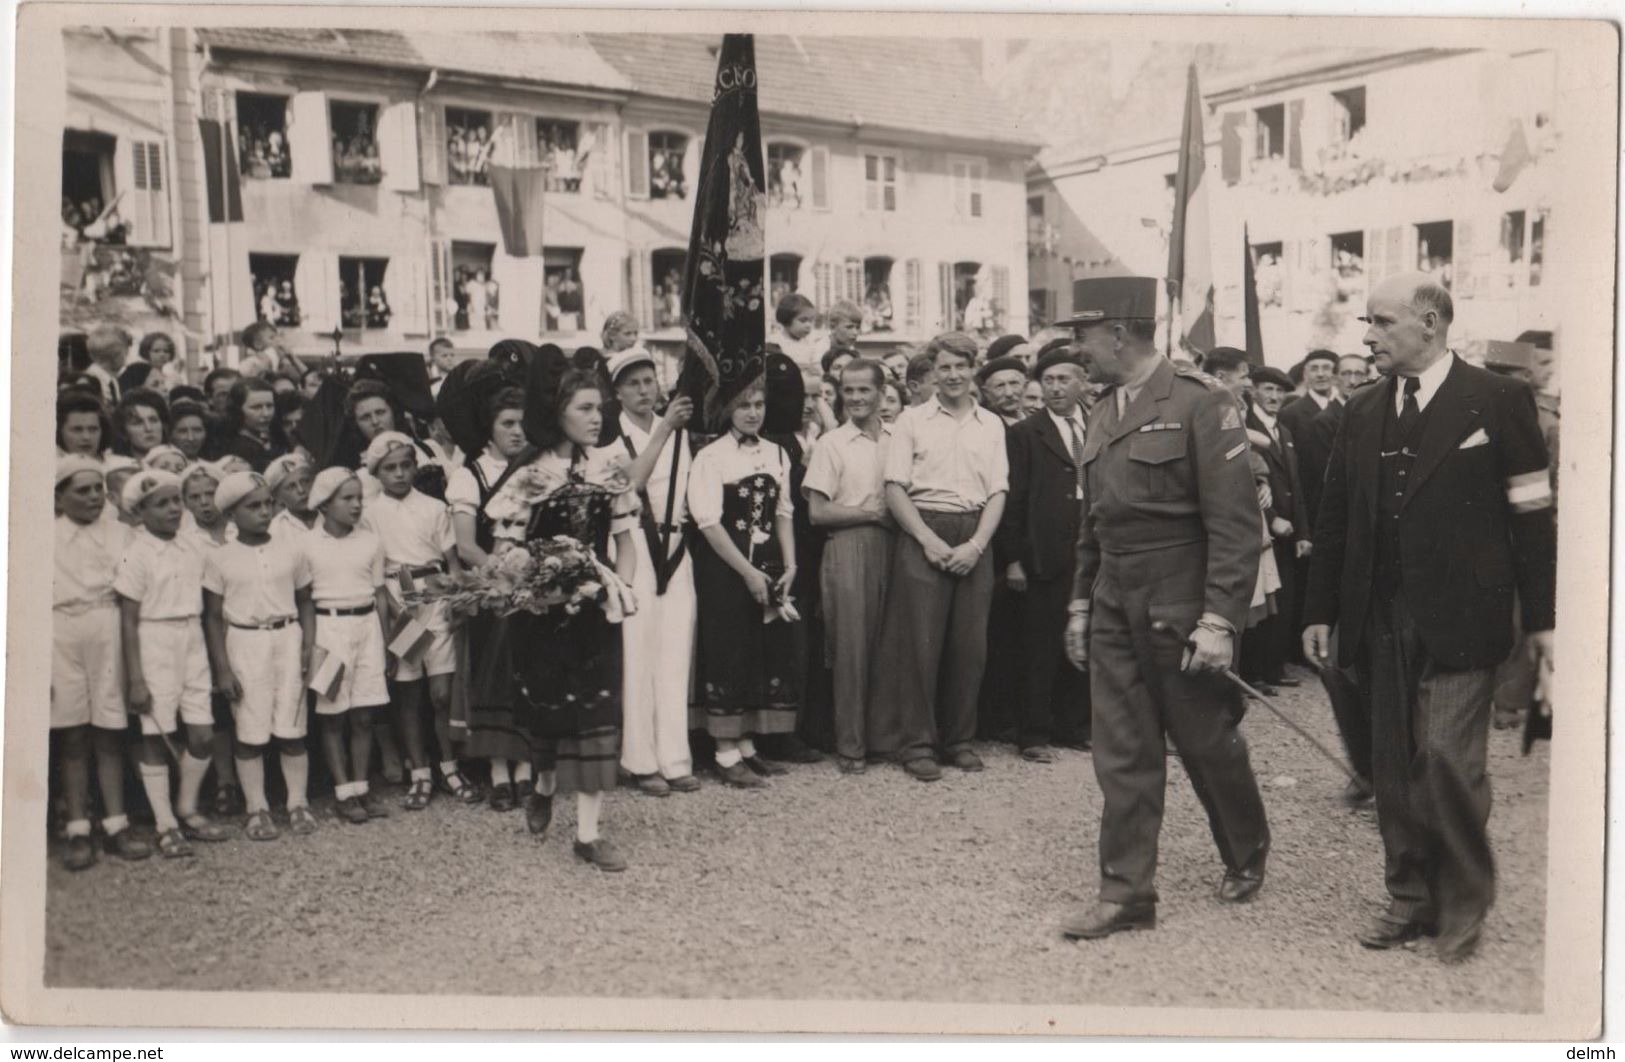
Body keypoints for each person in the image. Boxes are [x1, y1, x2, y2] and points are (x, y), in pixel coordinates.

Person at [1302, 272, 1555, 963]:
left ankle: (1462, 901)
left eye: (1380, 322)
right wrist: (1320, 609)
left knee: (1444, 760)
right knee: (1390, 765)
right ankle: (1407, 897)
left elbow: (1532, 516)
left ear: (1428, 323)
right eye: (1368, 323)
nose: (1368, 335)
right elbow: (1334, 521)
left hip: (1463, 616)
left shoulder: (1498, 399)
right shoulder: (1359, 411)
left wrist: (1542, 621)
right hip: (1376, 615)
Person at [1057, 276, 1269, 940]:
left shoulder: (1201, 404)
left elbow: (1235, 527)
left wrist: (1218, 621)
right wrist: (1079, 607)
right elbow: (1094, 522)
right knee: (1121, 751)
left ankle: (1245, 848)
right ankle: (1126, 894)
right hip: (1115, 600)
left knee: (1205, 741)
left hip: (1179, 603)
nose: (1074, 348)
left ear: (1118, 333)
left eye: (1081, 335)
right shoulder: (1100, 410)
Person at [868, 332, 1008, 781]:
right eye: (944, 367)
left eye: (960, 366)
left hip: (974, 535)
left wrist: (976, 545)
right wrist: (927, 539)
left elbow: (998, 491)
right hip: (923, 528)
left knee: (971, 646)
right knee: (919, 644)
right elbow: (894, 487)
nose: (952, 375)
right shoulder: (912, 420)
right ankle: (917, 743)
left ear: (973, 370)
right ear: (933, 372)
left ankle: (959, 740)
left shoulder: (991, 424)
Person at [687, 381, 804, 788]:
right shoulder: (710, 456)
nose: (753, 413)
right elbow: (707, 522)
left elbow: (784, 512)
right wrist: (747, 573)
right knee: (729, 648)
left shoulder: (777, 453)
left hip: (769, 561)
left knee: (762, 650)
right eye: (743, 407)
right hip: (726, 567)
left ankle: (749, 744)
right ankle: (724, 750)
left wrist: (789, 564)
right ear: (727, 411)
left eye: (758, 405)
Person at [115, 469, 236, 858]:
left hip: (192, 639)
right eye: (161, 503)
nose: (172, 509)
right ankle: (166, 823)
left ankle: (187, 806)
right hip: (154, 641)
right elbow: (129, 619)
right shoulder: (136, 553)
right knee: (156, 734)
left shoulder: (191, 547)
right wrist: (136, 677)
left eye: (175, 501)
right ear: (140, 511)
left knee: (201, 734)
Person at [606, 348, 702, 797]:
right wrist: (665, 428)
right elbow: (630, 483)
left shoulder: (682, 433)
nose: (645, 391)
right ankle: (639, 759)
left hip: (677, 545)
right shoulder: (613, 438)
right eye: (633, 384)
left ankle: (675, 756)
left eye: (649, 381)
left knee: (674, 651)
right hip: (635, 544)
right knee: (638, 652)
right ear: (618, 393)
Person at [202, 472, 318, 841]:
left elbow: (304, 601)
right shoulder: (220, 558)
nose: (264, 512)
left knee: (292, 726)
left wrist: (307, 645)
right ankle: (258, 808)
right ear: (232, 515)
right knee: (249, 731)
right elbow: (213, 615)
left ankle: (297, 803)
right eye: (253, 506)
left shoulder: (291, 549)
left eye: (268, 503)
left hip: (287, 637)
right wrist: (222, 668)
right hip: (245, 643)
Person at [53, 456, 150, 868]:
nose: (94, 497)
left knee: (110, 730)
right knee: (72, 734)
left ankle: (116, 824)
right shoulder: (44, 537)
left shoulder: (123, 535)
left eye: (98, 489)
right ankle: (78, 827)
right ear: (59, 498)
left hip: (108, 626)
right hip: (59, 632)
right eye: (82, 491)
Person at [998, 345, 1092, 762]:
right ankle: (1033, 733)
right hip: (1043, 553)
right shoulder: (1024, 433)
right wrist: (1014, 557)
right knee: (1039, 645)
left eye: (1064, 380)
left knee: (1084, 637)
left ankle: (1074, 725)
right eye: (1048, 381)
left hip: (1089, 554)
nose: (1055, 388)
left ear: (1082, 384)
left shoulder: (1097, 427)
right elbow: (1013, 500)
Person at [361, 432, 461, 811]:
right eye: (390, 468)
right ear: (377, 473)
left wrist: (452, 596)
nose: (399, 474)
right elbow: (375, 575)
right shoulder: (370, 515)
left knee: (441, 693)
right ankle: (420, 771)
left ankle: (450, 767)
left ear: (416, 466)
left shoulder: (435, 507)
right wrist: (391, 612)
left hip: (433, 598)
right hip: (399, 601)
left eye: (406, 465)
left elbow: (451, 561)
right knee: (409, 693)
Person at [445, 386, 534, 810]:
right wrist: (502, 581)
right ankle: (499, 770)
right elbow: (465, 546)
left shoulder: (535, 468)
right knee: (494, 676)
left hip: (530, 589)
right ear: (489, 428)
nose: (517, 432)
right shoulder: (470, 475)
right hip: (490, 590)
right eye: (508, 424)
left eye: (522, 423)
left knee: (528, 676)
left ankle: (525, 768)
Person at [804, 358, 894, 774]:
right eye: (848, 390)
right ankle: (851, 745)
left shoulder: (898, 437)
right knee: (851, 647)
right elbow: (818, 513)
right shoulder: (831, 444)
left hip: (894, 545)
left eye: (864, 390)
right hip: (849, 547)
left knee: (889, 643)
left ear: (881, 392)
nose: (856, 398)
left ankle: (883, 738)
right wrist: (869, 515)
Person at [295, 468, 393, 825]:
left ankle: (362, 785)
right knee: (334, 713)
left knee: (365, 713)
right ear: (324, 503)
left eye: (358, 498)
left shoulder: (370, 541)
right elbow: (303, 599)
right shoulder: (306, 545)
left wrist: (387, 643)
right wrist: (308, 647)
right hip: (327, 630)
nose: (356, 505)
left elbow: (380, 595)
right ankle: (343, 791)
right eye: (346, 498)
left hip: (366, 628)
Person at [1240, 362, 1309, 692]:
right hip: (1262, 530)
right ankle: (1252, 673)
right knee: (1260, 602)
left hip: (1287, 532)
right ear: (1254, 391)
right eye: (1268, 389)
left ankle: (1273, 667)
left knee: (1283, 601)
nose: (1274, 396)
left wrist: (1304, 532)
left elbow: (1296, 485)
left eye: (1280, 391)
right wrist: (1270, 520)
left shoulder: (1285, 431)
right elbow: (1246, 484)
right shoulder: (1245, 426)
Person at [224, 378, 286, 473]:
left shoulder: (277, 438)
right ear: (237, 410)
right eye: (256, 407)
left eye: (269, 406)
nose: (266, 414)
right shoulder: (236, 449)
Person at [113, 389, 169, 462]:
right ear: (123, 431)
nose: (148, 428)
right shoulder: (115, 468)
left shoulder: (179, 463)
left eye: (153, 420)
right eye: (138, 423)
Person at [772, 292, 822, 373]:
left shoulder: (811, 343)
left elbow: (817, 366)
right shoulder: (775, 342)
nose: (809, 325)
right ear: (786, 319)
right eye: (803, 320)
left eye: (811, 321)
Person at [84, 323, 130, 406]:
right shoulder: (91, 382)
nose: (127, 355)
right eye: (126, 351)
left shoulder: (111, 380)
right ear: (117, 354)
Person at [976, 355, 1028, 426]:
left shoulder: (1033, 419)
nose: (1009, 393)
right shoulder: (984, 426)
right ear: (986, 393)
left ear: (1025, 386)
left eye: (1014, 383)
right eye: (1000, 386)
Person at [57, 391, 110, 458]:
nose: (86, 437)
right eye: (77, 430)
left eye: (93, 429)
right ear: (59, 432)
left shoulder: (118, 466)